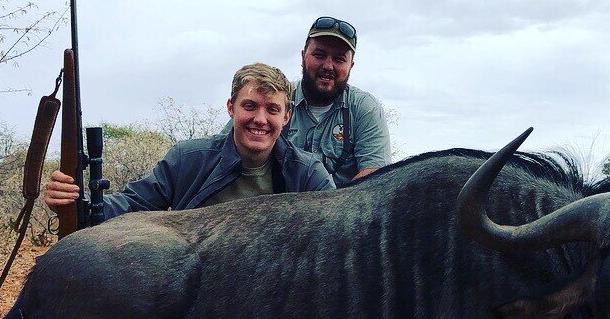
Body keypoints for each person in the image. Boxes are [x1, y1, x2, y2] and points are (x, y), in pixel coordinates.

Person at [44, 63, 334, 220]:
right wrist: (75, 205)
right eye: (249, 106)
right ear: (231, 108)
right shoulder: (188, 159)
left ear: (287, 116)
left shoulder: (308, 174)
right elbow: (133, 204)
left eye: (272, 109)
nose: (260, 119)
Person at [286, 16, 391, 186]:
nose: (328, 66)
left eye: (339, 59)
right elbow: (229, 150)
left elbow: (377, 178)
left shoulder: (366, 108)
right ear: (303, 56)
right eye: (319, 55)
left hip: (342, 210)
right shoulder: (276, 100)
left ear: (351, 65)